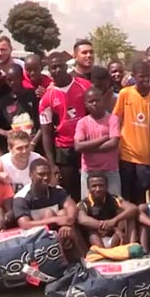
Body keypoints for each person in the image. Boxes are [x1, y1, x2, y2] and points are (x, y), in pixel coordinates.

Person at [39, 52, 92, 201]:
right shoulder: (46, 98)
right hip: (64, 149)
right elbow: (46, 133)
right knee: (70, 192)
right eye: (53, 67)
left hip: (87, 144)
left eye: (60, 66)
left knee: (90, 188)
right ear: (49, 70)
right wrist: (51, 164)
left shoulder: (84, 85)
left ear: (66, 66)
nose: (57, 70)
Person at [13, 159, 86, 260]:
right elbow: (24, 224)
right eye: (41, 174)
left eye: (48, 174)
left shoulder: (57, 190)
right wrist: (54, 220)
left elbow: (71, 206)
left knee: (64, 215)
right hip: (36, 237)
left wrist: (67, 223)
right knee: (50, 213)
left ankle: (84, 259)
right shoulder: (21, 197)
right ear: (31, 175)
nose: (46, 177)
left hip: (60, 231)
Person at [113, 59, 150, 206]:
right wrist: (116, 145)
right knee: (125, 196)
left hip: (146, 158)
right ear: (134, 76)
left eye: (147, 76)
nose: (145, 79)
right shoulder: (125, 93)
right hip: (126, 154)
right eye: (141, 76)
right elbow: (116, 119)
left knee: (140, 198)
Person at [0, 64, 39, 158]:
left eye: (15, 79)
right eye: (9, 80)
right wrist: (4, 132)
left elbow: (44, 124)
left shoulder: (33, 95)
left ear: (21, 77)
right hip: (17, 148)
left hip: (36, 146)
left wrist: (33, 143)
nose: (12, 82)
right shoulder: (4, 101)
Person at [74, 87, 121, 199]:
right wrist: (103, 139)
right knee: (88, 204)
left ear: (102, 100)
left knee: (115, 202)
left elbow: (113, 144)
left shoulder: (112, 119)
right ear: (85, 104)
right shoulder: (82, 122)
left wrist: (88, 148)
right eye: (91, 101)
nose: (95, 104)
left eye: (97, 100)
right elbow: (78, 147)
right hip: (89, 172)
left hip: (110, 171)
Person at [78, 172, 138, 247]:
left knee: (129, 216)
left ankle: (132, 247)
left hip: (115, 237)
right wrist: (108, 226)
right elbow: (82, 219)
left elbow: (133, 208)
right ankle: (102, 252)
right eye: (94, 186)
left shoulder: (114, 198)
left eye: (101, 185)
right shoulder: (84, 203)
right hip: (96, 238)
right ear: (88, 188)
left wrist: (114, 220)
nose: (98, 189)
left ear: (106, 186)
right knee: (92, 232)